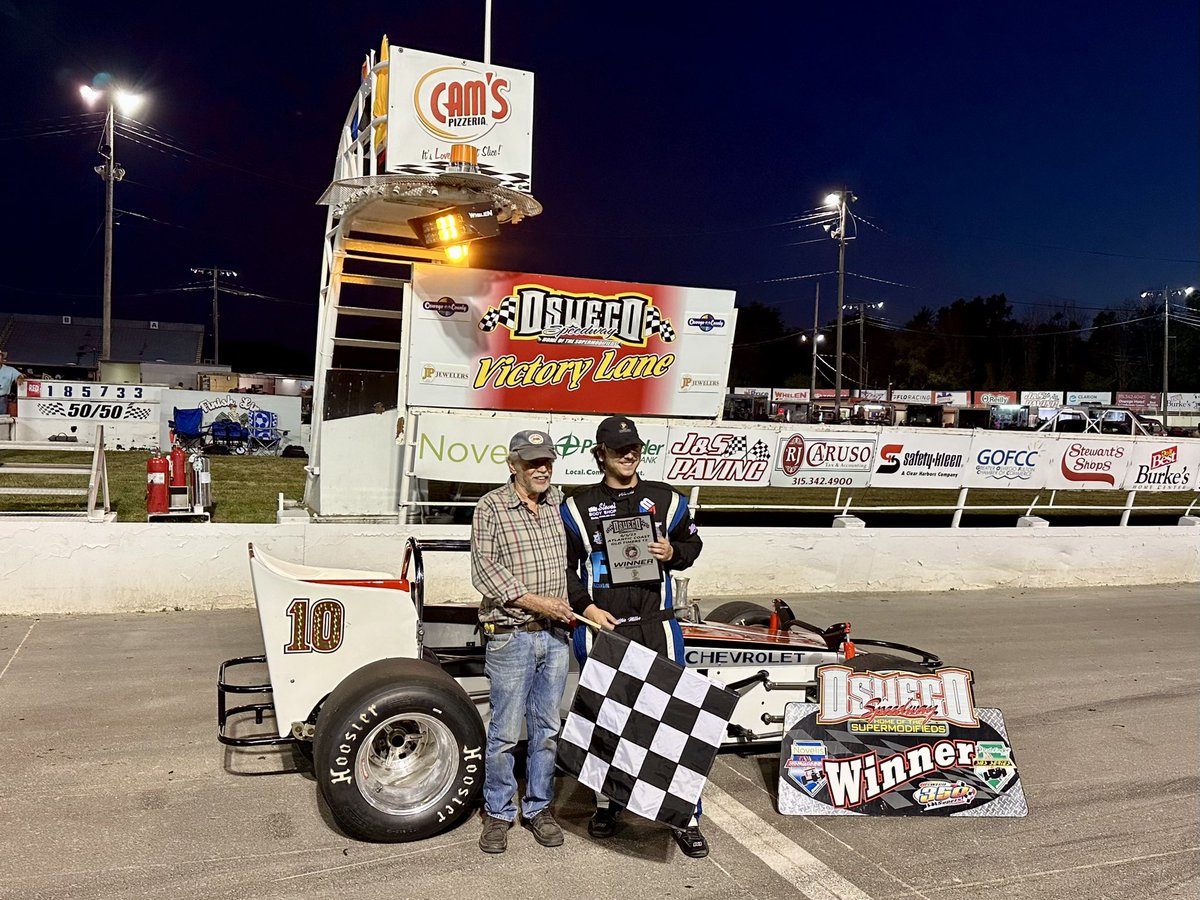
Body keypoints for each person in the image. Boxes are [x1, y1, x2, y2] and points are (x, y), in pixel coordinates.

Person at [561, 414, 708, 858]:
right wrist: (585, 607)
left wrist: (674, 552)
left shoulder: (667, 500)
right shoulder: (576, 507)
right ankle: (608, 805)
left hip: (657, 625)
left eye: (635, 447)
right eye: (618, 448)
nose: (628, 454)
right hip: (601, 627)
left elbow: (693, 545)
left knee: (672, 722)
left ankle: (685, 816)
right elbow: (563, 569)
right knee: (608, 719)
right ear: (599, 454)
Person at [470, 428, 575, 855]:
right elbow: (484, 571)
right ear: (513, 465)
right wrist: (539, 604)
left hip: (554, 638)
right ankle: (497, 812)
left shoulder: (559, 505)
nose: (542, 468)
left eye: (547, 460)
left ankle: (538, 808)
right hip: (511, 637)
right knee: (505, 734)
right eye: (532, 462)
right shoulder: (491, 507)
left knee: (548, 730)